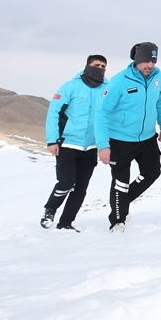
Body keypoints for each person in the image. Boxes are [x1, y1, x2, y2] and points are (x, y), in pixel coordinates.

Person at [95, 42, 161, 232]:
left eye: (153, 61)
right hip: (120, 140)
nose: (150, 65)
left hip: (147, 138)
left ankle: (123, 202)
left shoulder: (158, 76)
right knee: (120, 181)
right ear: (137, 60)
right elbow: (102, 113)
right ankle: (117, 221)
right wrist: (103, 145)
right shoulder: (119, 81)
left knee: (152, 172)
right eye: (146, 61)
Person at [40, 54, 108, 231]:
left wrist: (106, 144)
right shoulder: (70, 87)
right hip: (68, 143)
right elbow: (54, 113)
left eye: (103, 66)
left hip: (91, 146)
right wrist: (52, 140)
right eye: (96, 65)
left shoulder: (107, 90)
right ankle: (50, 209)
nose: (100, 69)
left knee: (81, 188)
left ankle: (66, 223)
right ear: (87, 66)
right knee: (66, 183)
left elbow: (110, 116)